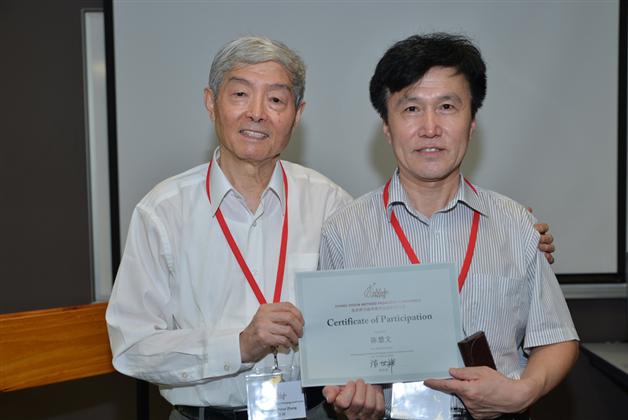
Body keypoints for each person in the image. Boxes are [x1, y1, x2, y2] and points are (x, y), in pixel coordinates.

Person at [105, 35, 556, 420]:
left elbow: (393, 270)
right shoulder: (162, 212)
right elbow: (131, 347)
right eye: (240, 94)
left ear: (297, 113)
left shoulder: (332, 206)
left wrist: (517, 233)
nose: (257, 113)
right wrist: (238, 345)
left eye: (276, 99)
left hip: (313, 412)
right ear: (211, 102)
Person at [318, 33, 578, 420]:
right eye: (411, 109)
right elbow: (335, 359)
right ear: (387, 126)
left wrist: (523, 392)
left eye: (446, 107)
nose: (430, 127)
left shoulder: (516, 224)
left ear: (471, 123)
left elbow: (557, 339)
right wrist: (351, 398)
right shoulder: (343, 231)